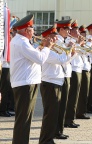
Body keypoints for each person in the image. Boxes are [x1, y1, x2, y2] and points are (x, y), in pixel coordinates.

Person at [10, 14, 52, 144]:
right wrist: (47, 47)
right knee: (24, 119)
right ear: (27, 30)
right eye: (32, 28)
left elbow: (32, 57)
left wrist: (40, 48)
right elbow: (40, 59)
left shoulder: (20, 41)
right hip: (26, 83)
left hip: (25, 82)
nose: (34, 31)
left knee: (24, 118)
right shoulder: (22, 42)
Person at [39, 26, 73, 143]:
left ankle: (50, 138)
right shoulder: (47, 50)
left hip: (56, 81)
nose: (56, 40)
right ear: (48, 38)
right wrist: (68, 51)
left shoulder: (52, 49)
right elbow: (60, 60)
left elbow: (65, 61)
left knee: (54, 113)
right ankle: (45, 140)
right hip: (49, 83)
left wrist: (70, 53)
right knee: (50, 114)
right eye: (53, 37)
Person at [65, 20, 86, 128]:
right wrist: (79, 43)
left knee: (75, 96)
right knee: (72, 96)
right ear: (71, 31)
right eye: (76, 30)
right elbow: (72, 51)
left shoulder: (75, 40)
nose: (78, 32)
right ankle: (68, 119)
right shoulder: (69, 40)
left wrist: (81, 44)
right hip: (73, 69)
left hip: (78, 68)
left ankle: (71, 118)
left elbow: (83, 52)